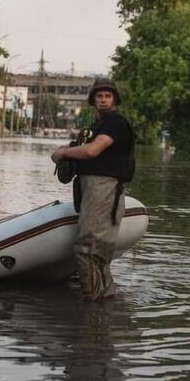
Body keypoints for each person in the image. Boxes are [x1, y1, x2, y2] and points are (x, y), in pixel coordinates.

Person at [50, 78, 135, 301]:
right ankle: (104, 300)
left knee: (88, 249)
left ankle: (94, 306)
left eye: (107, 96)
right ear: (93, 100)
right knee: (94, 250)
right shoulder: (96, 126)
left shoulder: (115, 123)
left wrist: (64, 153)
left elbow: (92, 151)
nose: (103, 100)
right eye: (99, 96)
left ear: (115, 99)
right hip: (91, 189)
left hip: (103, 188)